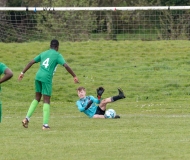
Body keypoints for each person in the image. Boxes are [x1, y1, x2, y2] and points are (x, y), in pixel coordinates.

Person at [18, 39, 79, 130]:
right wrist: (74, 76)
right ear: (57, 47)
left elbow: (31, 62)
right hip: (46, 78)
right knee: (46, 100)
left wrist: (22, 73)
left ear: (50, 46)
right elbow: (66, 65)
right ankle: (45, 125)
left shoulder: (43, 53)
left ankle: (26, 118)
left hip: (38, 76)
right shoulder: (57, 55)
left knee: (37, 98)